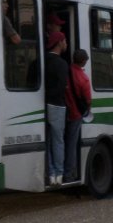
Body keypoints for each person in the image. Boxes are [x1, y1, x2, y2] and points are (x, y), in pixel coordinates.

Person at [45, 31, 68, 186]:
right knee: (58, 141)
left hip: (41, 105)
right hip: (57, 105)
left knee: (46, 142)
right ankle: (59, 175)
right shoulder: (61, 64)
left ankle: (51, 173)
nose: (66, 43)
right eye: (65, 40)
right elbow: (62, 87)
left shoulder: (40, 60)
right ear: (59, 42)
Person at [64, 49, 91, 183]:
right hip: (76, 114)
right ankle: (69, 173)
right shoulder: (83, 78)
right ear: (84, 61)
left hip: (64, 111)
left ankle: (59, 170)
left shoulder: (66, 71)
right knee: (72, 144)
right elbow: (88, 100)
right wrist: (87, 110)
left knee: (61, 142)